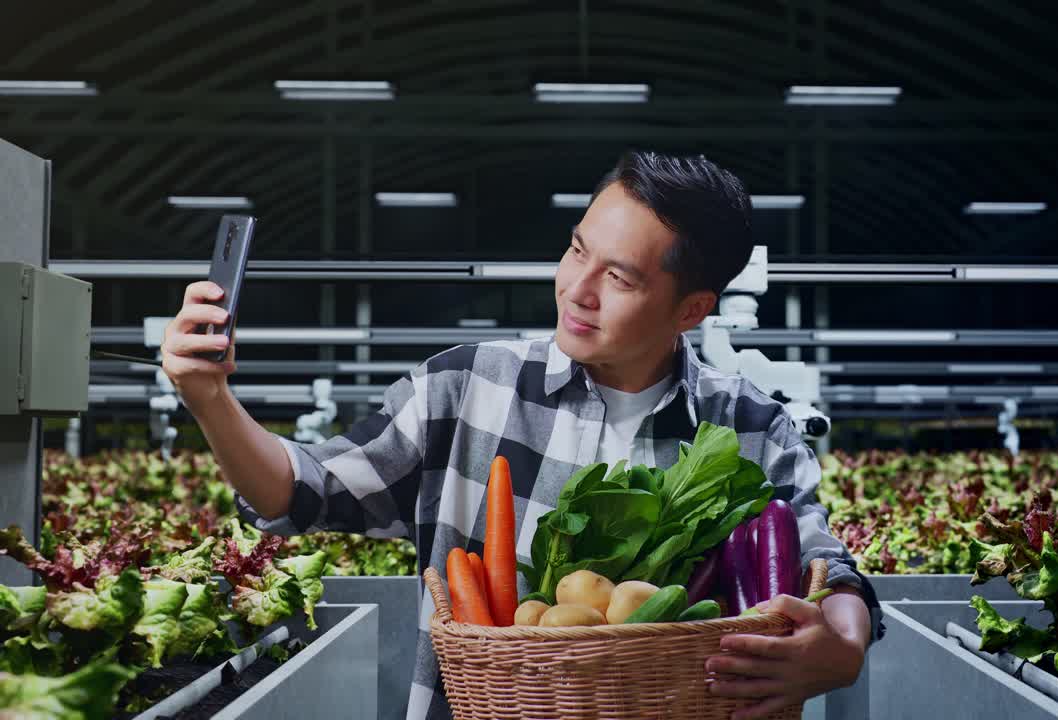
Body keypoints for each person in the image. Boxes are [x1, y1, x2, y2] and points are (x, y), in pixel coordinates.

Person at [161, 150, 882, 720]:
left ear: (691, 309)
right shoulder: (464, 387)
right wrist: (210, 399)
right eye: (576, 250)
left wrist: (844, 645)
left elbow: (828, 564)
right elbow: (301, 490)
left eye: (620, 279)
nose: (577, 288)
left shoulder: (751, 426)